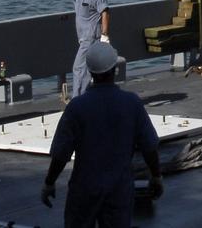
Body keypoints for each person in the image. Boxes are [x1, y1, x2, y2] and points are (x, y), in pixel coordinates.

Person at [41, 42, 162, 227]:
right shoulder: (132, 104)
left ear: (90, 71)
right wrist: (156, 176)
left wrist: (49, 182)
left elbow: (61, 153)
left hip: (84, 188)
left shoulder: (77, 107)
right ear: (114, 68)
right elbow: (149, 146)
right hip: (119, 189)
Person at [66, 0, 110, 97]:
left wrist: (104, 35)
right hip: (84, 38)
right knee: (91, 71)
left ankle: (78, 100)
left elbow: (105, 12)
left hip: (91, 38)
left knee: (79, 69)